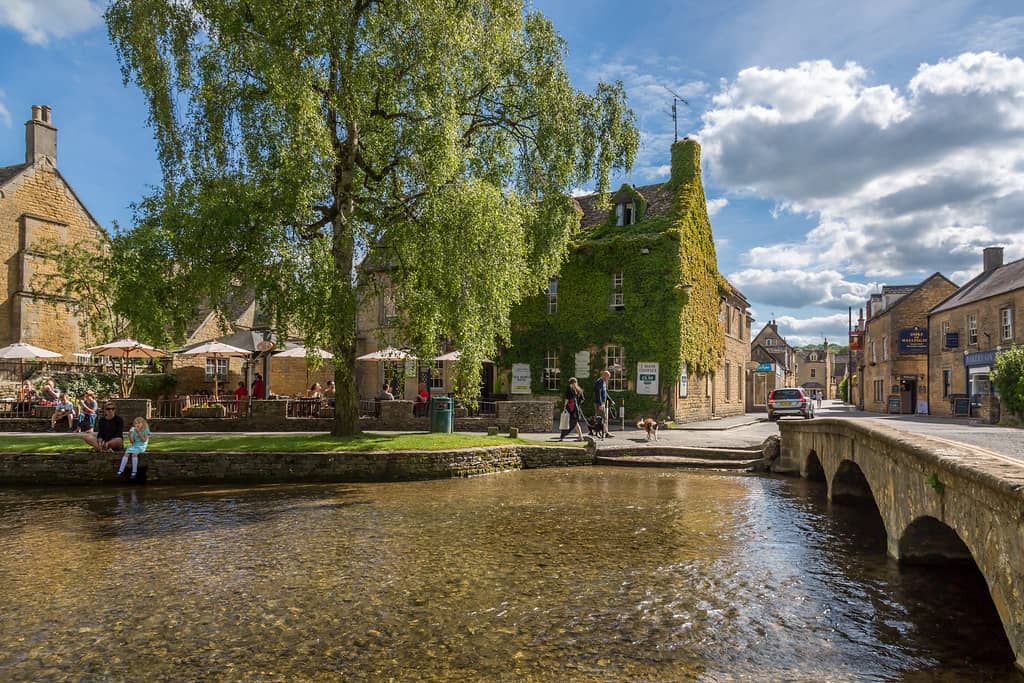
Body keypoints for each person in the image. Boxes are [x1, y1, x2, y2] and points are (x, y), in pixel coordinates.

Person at [559, 377, 585, 442]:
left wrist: (564, 406)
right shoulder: (579, 390)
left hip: (570, 409)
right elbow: (582, 400)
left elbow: (567, 399)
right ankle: (580, 437)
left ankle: (562, 436)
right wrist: (577, 405)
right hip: (576, 410)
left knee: (568, 423)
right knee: (575, 423)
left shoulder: (569, 389)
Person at [594, 370, 615, 438]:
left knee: (599, 418)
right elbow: (598, 394)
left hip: (602, 403)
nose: (608, 379)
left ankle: (595, 431)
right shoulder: (599, 382)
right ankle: (606, 433)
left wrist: (610, 400)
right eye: (608, 377)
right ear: (604, 375)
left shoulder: (604, 382)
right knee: (603, 418)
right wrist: (600, 404)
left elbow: (605, 393)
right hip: (599, 403)